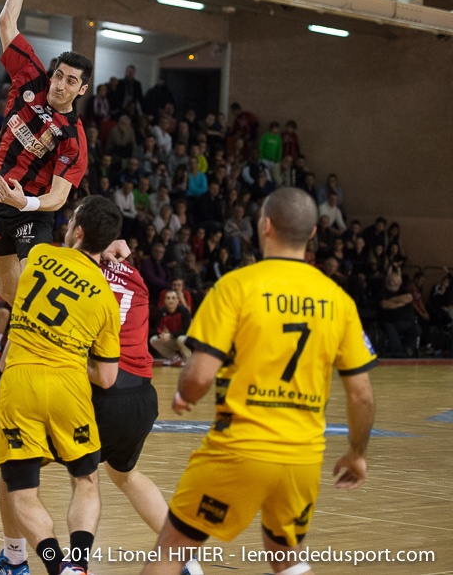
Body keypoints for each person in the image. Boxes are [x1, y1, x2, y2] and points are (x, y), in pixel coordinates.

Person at [141, 187, 377, 574]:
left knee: (172, 550)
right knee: (286, 557)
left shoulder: (235, 286)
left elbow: (198, 377)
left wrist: (185, 394)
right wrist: (356, 453)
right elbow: (362, 395)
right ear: (313, 233)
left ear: (264, 225)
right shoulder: (339, 300)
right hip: (301, 460)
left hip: (239, 451)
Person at [0, 196, 123, 575]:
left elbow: (17, 317)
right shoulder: (106, 296)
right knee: (85, 480)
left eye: (71, 221)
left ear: (79, 231)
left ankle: (56, 567)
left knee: (22, 491)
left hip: (20, 383)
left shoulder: (40, 256)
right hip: (70, 386)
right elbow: (106, 377)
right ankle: (79, 563)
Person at [0, 0, 92, 305]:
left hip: (33, 212)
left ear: (82, 89)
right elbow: (6, 22)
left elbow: (59, 197)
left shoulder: (73, 137)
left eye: (71, 81)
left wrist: (26, 202)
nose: (60, 85)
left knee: (33, 286)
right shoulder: (31, 77)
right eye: (59, 75)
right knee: (8, 292)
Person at [149, 290, 192, 365]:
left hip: (185, 340)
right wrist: (162, 335)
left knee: (180, 339)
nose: (170, 301)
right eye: (168, 298)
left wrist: (170, 335)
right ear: (165, 301)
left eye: (173, 298)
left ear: (178, 300)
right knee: (153, 340)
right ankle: (174, 358)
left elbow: (185, 330)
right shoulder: (161, 312)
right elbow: (158, 328)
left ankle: (189, 360)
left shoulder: (184, 311)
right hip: (171, 339)